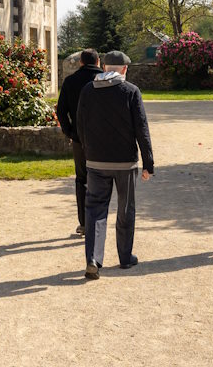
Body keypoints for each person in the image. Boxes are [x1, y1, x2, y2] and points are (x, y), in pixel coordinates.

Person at [76, 50, 154, 280]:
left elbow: (80, 125)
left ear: (104, 68)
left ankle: (93, 259)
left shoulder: (88, 90)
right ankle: (125, 257)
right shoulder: (130, 91)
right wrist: (148, 162)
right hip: (124, 162)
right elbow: (142, 129)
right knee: (125, 208)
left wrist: (88, 151)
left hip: (96, 160)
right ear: (124, 70)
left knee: (95, 210)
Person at [55, 49, 103, 236]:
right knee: (101, 179)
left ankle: (84, 223)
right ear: (98, 62)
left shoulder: (70, 81)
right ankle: (98, 221)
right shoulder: (105, 80)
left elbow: (61, 111)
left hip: (79, 137)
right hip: (102, 138)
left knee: (82, 179)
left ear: (81, 62)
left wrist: (69, 131)